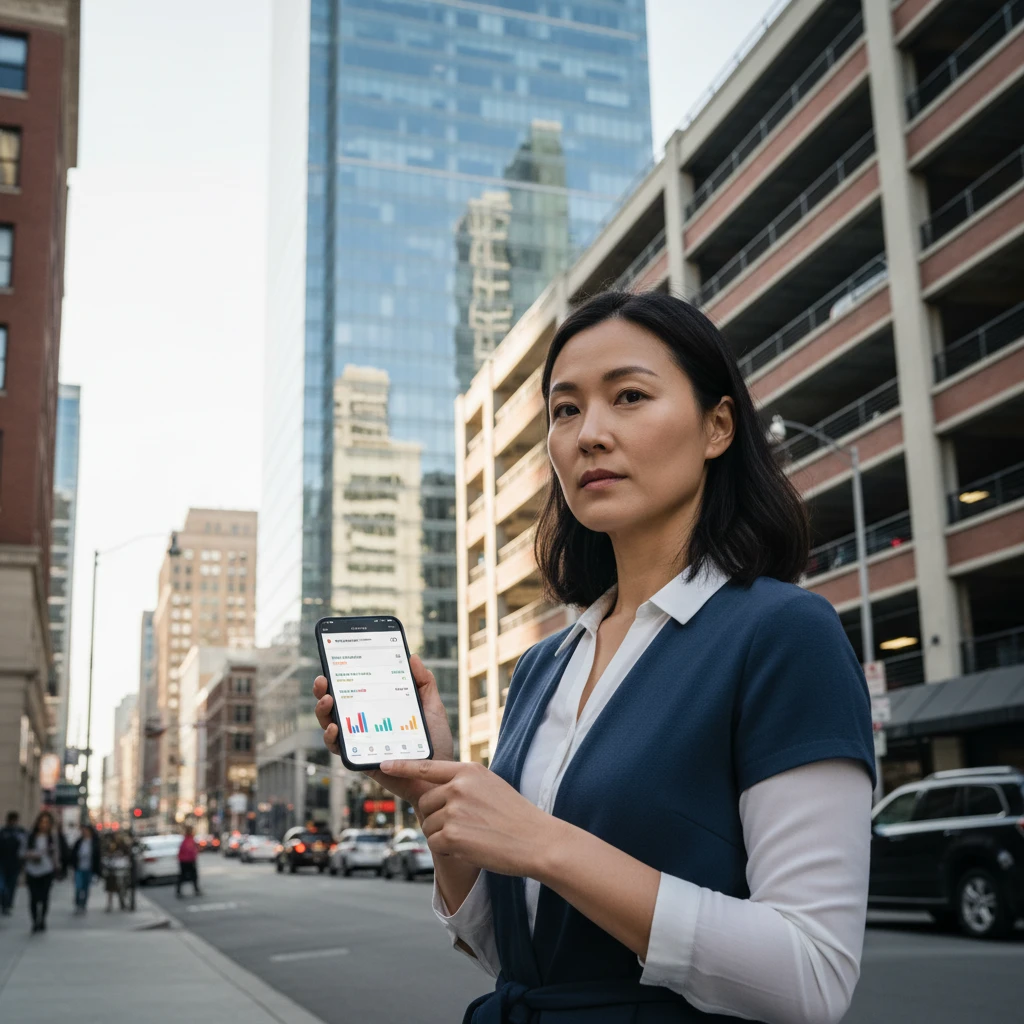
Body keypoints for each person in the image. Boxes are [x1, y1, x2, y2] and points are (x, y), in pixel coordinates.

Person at [314, 291, 877, 1024]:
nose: (589, 435)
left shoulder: (783, 633)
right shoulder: (544, 666)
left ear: (717, 426)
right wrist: (436, 790)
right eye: (565, 410)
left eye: (630, 396)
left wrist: (546, 844)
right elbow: (515, 957)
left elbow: (811, 975)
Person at [24, 811, 61, 933]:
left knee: (44, 897)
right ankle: (35, 921)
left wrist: (57, 866)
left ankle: (42, 919)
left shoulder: (51, 837)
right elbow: (21, 852)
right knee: (33, 898)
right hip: (32, 870)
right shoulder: (30, 836)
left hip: (47, 870)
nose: (44, 825)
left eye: (47, 822)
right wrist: (30, 855)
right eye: (42, 822)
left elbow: (56, 854)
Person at [71, 824, 102, 913]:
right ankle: (78, 904)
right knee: (78, 887)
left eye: (86, 831)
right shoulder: (79, 842)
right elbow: (74, 854)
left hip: (89, 869)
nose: (85, 832)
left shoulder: (94, 843)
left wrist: (97, 871)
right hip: (79, 868)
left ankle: (83, 904)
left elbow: (97, 857)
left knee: (86, 888)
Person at [0, 810, 26, 916]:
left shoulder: (21, 832)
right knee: (3, 886)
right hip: (2, 863)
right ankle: (4, 903)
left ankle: (8, 904)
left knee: (12, 885)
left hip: (15, 864)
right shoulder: (3, 832)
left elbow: (24, 848)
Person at [176, 825, 201, 898]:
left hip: (185, 860)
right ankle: (195, 890)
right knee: (190, 876)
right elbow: (190, 850)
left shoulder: (187, 839)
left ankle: (195, 890)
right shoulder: (189, 840)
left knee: (185, 876)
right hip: (188, 861)